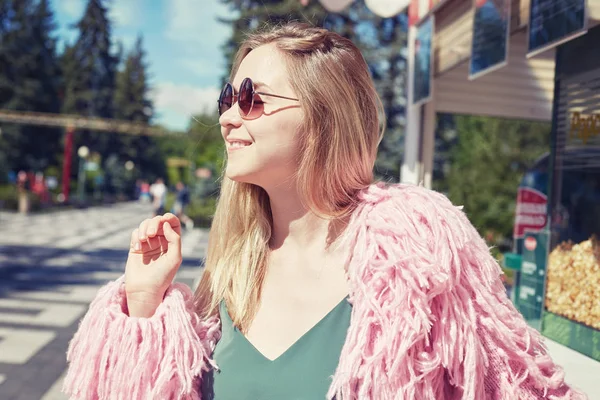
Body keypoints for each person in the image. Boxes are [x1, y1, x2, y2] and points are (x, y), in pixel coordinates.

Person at [62, 23, 586, 400]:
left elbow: (515, 381)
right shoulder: (230, 270)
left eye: (252, 97)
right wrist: (144, 301)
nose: (227, 116)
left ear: (324, 116)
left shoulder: (415, 254)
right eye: (228, 97)